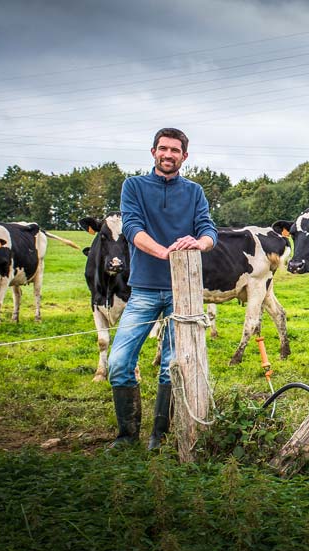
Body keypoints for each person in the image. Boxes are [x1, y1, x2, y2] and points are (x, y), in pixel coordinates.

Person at [108, 127, 218, 450]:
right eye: (163, 148)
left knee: (173, 366)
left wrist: (198, 243)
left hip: (181, 293)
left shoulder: (195, 192)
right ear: (153, 151)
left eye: (175, 150)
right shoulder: (134, 187)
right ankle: (127, 437)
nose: (168, 154)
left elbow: (209, 229)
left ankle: (160, 436)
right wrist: (164, 251)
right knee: (118, 361)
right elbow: (131, 227)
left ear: (185, 156)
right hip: (142, 289)